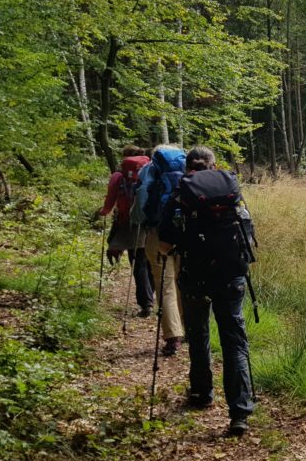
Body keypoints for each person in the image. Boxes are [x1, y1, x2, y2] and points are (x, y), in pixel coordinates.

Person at [158, 146, 256, 437]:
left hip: (195, 276)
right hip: (231, 276)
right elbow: (247, 230)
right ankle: (240, 412)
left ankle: (202, 393)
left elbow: (164, 244)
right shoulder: (231, 193)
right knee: (234, 339)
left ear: (188, 167)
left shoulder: (179, 196)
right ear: (214, 166)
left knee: (199, 333)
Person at [132, 145, 187, 356]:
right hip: (184, 233)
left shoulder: (148, 169)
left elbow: (140, 204)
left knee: (165, 285)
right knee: (184, 282)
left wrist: (141, 221)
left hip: (157, 233)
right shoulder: (187, 166)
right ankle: (189, 327)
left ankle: (173, 337)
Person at [99, 146, 153, 316]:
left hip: (129, 222)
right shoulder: (151, 170)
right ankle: (152, 295)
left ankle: (146, 303)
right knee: (148, 260)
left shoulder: (119, 175)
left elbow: (110, 200)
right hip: (151, 221)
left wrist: (103, 212)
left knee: (138, 263)